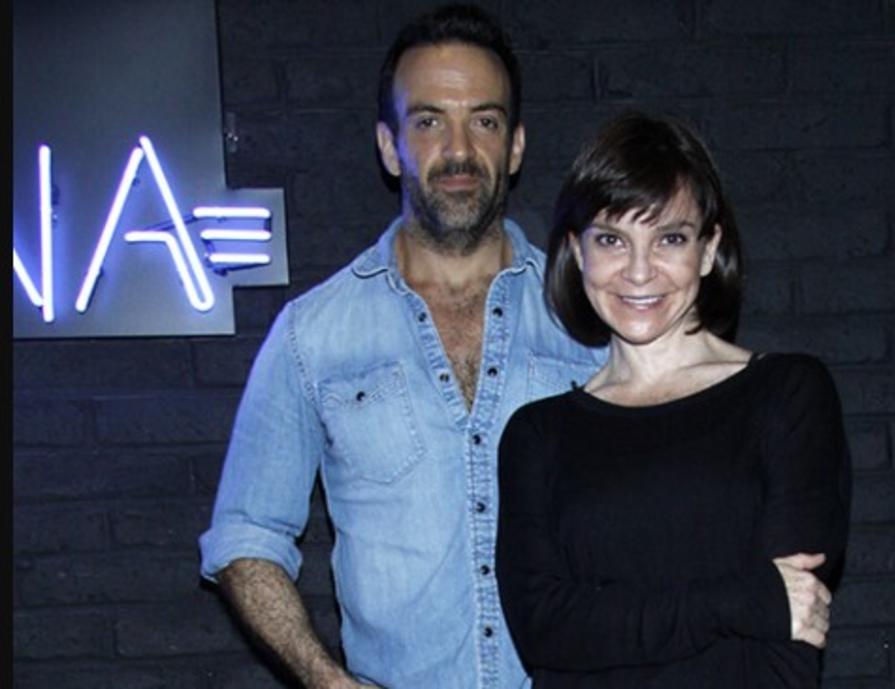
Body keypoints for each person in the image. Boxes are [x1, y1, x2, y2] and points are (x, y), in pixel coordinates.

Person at [198, 5, 603, 689]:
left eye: (484, 121)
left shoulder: (588, 316)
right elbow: (245, 535)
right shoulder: (313, 334)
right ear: (389, 147)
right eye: (428, 121)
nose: (459, 149)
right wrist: (326, 679)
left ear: (515, 147)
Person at [495, 111, 852, 688]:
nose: (639, 272)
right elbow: (544, 628)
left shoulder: (786, 395)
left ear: (709, 250)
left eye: (670, 238)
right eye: (612, 239)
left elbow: (790, 637)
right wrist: (740, 600)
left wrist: (610, 617)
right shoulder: (537, 436)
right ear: (577, 252)